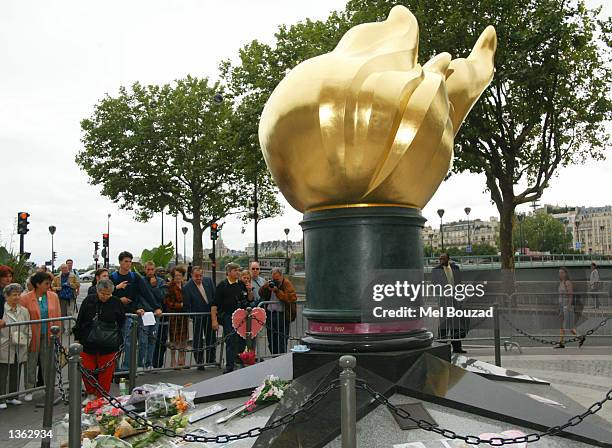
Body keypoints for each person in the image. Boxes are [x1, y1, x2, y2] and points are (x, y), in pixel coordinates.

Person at [73, 279, 126, 402]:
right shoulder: (89, 300)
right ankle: (91, 394)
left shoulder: (116, 302)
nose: (105, 296)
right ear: (98, 290)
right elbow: (80, 319)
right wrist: (78, 337)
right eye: (103, 293)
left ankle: (102, 396)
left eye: (108, 294)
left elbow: (121, 321)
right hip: (88, 342)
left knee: (106, 373)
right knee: (87, 370)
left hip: (109, 344)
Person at [110, 251, 157, 373]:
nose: (128, 264)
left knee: (129, 343)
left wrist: (156, 307)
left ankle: (126, 370)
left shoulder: (135, 277)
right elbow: (106, 294)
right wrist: (119, 298)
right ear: (120, 262)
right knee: (114, 344)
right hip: (114, 315)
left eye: (130, 261)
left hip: (130, 314)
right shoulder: (113, 277)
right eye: (126, 261)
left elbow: (146, 293)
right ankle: (114, 369)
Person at [19, 272, 61, 401]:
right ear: (37, 284)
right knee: (31, 362)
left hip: (49, 334)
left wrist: (57, 332)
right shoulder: (25, 298)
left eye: (49, 283)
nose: (49, 286)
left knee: (48, 362)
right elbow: (22, 316)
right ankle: (29, 389)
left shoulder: (53, 296)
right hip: (32, 335)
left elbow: (58, 315)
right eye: (46, 283)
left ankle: (49, 387)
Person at [211, 263, 251, 373]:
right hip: (228, 317)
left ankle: (239, 361)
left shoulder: (241, 284)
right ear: (228, 272)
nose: (237, 272)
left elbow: (249, 299)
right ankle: (230, 366)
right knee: (230, 341)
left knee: (241, 340)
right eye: (235, 270)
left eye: (238, 270)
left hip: (241, 316)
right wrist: (214, 320)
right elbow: (214, 304)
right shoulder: (222, 285)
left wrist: (250, 290)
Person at [0, 283, 30, 408]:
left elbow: (28, 328)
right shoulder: (1, 309)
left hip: (20, 344)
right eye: (13, 295)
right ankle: (1, 398)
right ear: (6, 296)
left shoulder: (24, 311)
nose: (17, 297)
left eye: (18, 294)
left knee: (16, 371)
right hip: (4, 344)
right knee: (3, 373)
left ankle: (13, 396)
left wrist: (27, 341)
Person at [432, 253, 468, 354]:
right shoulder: (436, 270)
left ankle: (457, 347)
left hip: (455, 299)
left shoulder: (455, 268)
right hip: (444, 300)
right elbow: (434, 284)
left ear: (448, 259)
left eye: (443, 259)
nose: (441, 260)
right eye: (440, 259)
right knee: (444, 322)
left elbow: (459, 283)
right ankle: (441, 347)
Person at [183, 266, 216, 371]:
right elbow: (187, 305)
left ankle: (211, 359)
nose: (199, 278)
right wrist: (193, 316)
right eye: (196, 276)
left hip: (209, 314)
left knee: (211, 337)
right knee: (197, 339)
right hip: (197, 316)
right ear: (192, 275)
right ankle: (199, 362)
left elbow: (214, 296)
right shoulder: (187, 287)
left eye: (200, 276)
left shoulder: (208, 281)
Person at [259, 268, 297, 355]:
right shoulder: (269, 284)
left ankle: (281, 359)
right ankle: (274, 358)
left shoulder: (286, 284)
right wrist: (265, 287)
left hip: (282, 315)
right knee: (271, 340)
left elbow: (291, 298)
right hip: (270, 314)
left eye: (277, 280)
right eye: (273, 279)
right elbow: (260, 294)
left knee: (282, 340)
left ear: (281, 277)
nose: (275, 282)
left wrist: (277, 291)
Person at [141, 262, 166, 372]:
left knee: (152, 340)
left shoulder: (160, 281)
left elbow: (162, 297)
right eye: (148, 269)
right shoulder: (141, 281)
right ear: (145, 270)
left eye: (152, 269)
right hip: (144, 313)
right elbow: (140, 296)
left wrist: (155, 286)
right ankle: (140, 364)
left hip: (155, 314)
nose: (150, 272)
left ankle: (149, 363)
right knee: (142, 341)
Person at [164, 266, 189, 368]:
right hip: (174, 316)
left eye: (180, 275)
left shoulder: (185, 286)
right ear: (173, 276)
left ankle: (182, 358)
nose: (178, 277)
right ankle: (173, 360)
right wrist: (180, 305)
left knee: (183, 339)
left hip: (184, 316)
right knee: (174, 339)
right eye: (176, 275)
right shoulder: (169, 286)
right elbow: (167, 303)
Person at [555, 267, 585, 349]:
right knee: (562, 325)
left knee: (568, 325)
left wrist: (568, 306)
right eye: (559, 273)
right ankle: (561, 342)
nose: (560, 274)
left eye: (562, 273)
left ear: (565, 274)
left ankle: (580, 337)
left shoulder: (567, 283)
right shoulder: (561, 282)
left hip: (566, 305)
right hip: (561, 305)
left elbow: (570, 295)